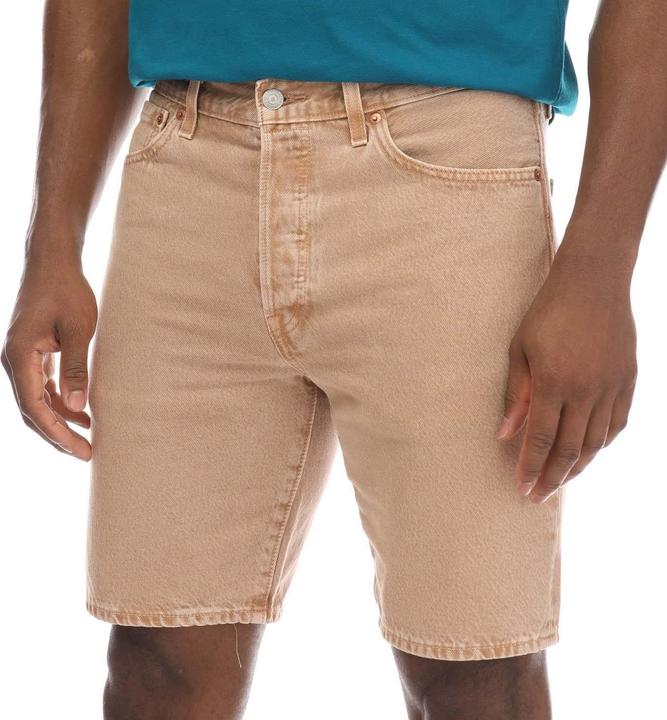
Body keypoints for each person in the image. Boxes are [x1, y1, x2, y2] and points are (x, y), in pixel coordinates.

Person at [3, 0, 665, 717]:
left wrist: (599, 271)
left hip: (446, 163)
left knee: (472, 668)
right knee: (157, 657)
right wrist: (51, 244)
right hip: (189, 153)